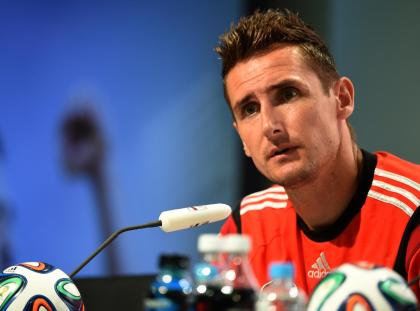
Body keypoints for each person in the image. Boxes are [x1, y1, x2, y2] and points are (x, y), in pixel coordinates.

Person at [216, 9, 420, 297]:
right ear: (242, 138)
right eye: (250, 109)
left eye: (287, 94)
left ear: (342, 99)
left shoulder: (413, 214)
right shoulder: (245, 229)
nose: (269, 126)